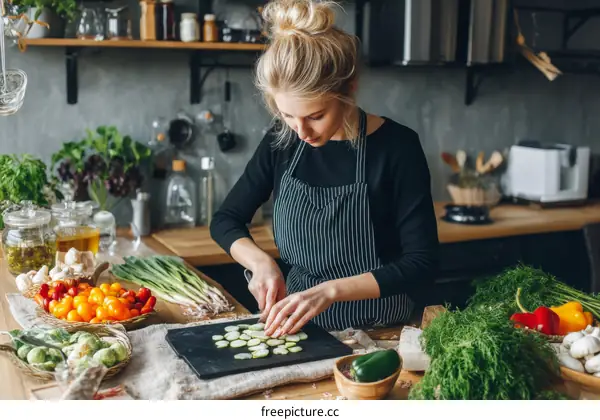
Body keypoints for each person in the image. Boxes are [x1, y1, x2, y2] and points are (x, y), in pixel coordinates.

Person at [210, 0, 439, 337]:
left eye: (315, 116)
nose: (301, 132)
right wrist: (262, 264)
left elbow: (421, 264)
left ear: (349, 88)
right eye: (287, 116)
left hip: (381, 332)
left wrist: (329, 291)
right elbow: (226, 220)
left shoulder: (397, 147)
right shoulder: (283, 141)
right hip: (301, 331)